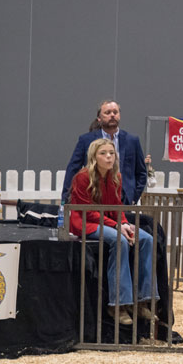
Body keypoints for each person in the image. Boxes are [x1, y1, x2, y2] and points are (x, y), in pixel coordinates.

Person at [69, 138, 158, 325]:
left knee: (147, 239)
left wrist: (124, 223)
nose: (109, 156)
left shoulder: (115, 177)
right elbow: (88, 212)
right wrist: (117, 226)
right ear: (94, 156)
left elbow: (117, 206)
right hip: (86, 222)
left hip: (108, 221)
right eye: (103, 153)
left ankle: (142, 301)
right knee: (120, 241)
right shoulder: (82, 177)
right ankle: (118, 304)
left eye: (111, 153)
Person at [62, 100, 147, 206]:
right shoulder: (86, 140)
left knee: (124, 223)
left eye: (115, 112)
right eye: (107, 113)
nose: (112, 115)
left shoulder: (132, 140)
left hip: (123, 198)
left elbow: (141, 172)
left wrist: (133, 197)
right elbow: (73, 169)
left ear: (119, 116)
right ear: (99, 118)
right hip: (95, 194)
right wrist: (65, 199)